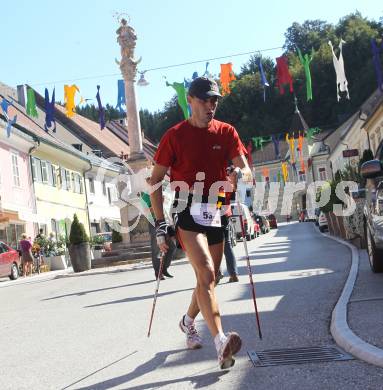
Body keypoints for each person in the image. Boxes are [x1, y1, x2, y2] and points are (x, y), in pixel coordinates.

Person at [149, 76, 252, 369]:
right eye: (205, 100)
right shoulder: (174, 136)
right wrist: (160, 223)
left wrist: (240, 174)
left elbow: (244, 168)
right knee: (206, 271)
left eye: (215, 100)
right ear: (190, 101)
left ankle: (187, 321)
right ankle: (221, 341)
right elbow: (154, 182)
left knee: (212, 277)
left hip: (217, 206)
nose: (211, 105)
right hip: (185, 207)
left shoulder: (226, 132)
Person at [141, 177, 176, 280]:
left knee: (173, 245)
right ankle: (158, 272)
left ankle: (164, 268)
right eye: (149, 180)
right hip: (154, 222)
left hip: (167, 221)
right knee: (157, 248)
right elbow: (147, 212)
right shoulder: (146, 195)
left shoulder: (164, 191)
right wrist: (157, 203)